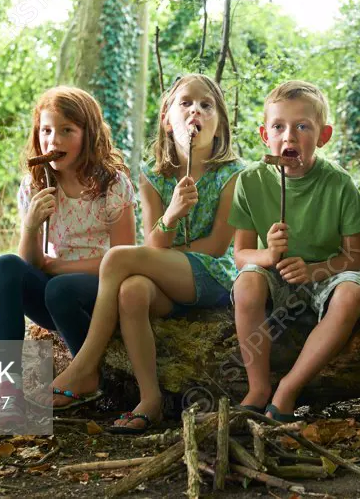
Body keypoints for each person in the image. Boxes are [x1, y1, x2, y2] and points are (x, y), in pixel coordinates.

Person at [47, 74, 244, 433]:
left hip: (213, 277)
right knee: (132, 289)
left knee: (119, 257)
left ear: (219, 127)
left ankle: (85, 365)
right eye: (185, 103)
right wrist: (171, 215)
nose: (195, 110)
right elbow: (155, 244)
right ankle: (149, 400)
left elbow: (216, 247)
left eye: (206, 105)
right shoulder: (153, 177)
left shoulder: (233, 175)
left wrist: (164, 254)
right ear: (168, 120)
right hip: (166, 283)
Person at [231, 81, 360, 422]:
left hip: (329, 274)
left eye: (302, 127)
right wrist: (267, 256)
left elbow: (356, 257)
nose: (289, 137)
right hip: (274, 274)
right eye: (279, 126)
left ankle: (288, 389)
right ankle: (259, 387)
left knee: (352, 293)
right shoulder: (250, 181)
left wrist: (315, 271)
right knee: (247, 283)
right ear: (265, 135)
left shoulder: (338, 183)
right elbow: (240, 254)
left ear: (323, 136)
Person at [0, 86, 135, 420]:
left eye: (66, 130)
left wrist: (60, 267)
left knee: (61, 287)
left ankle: (87, 374)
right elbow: (31, 266)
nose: (53, 141)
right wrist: (30, 226)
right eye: (46, 130)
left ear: (89, 135)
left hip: (98, 292)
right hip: (54, 294)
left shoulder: (111, 185)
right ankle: (9, 389)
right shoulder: (36, 184)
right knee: (5, 266)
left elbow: (124, 258)